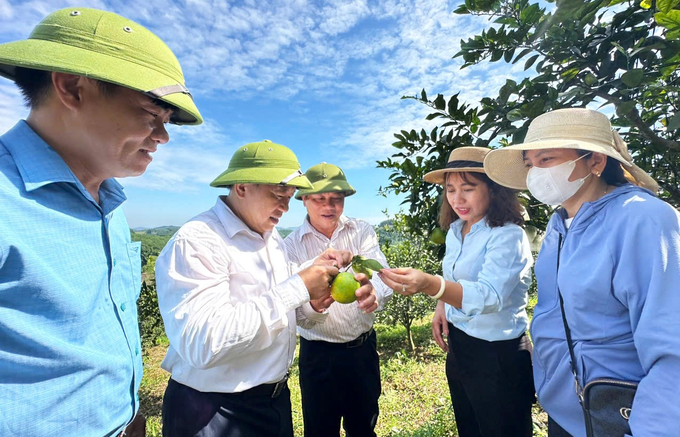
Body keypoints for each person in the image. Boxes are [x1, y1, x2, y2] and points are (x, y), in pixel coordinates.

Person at [0, 7, 201, 437]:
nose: (163, 136)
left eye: (167, 122)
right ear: (73, 87)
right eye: (151, 113)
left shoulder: (108, 201)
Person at [155, 142, 378, 437]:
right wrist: (297, 286)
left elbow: (282, 312)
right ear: (242, 186)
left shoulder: (270, 240)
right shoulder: (198, 242)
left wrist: (312, 303)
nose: (285, 207)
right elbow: (203, 343)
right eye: (278, 195)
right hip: (214, 411)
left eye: (288, 197)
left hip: (271, 401)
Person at [484, 107, 680, 437]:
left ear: (595, 162)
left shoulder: (643, 220)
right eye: (530, 164)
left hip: (623, 416)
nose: (535, 173)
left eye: (546, 160)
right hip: (566, 412)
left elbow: (672, 348)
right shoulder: (557, 227)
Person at [379, 147, 536, 437]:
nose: (457, 199)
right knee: (471, 427)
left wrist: (430, 285)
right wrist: (442, 306)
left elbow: (489, 295)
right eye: (450, 189)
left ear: (493, 189)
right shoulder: (456, 230)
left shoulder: (507, 235)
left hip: (498, 357)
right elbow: (455, 278)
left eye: (468, 188)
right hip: (461, 348)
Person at [282, 162, 390, 437]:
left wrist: (374, 291)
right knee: (320, 430)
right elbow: (289, 299)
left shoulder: (361, 231)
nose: (328, 206)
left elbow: (380, 272)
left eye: (336, 199)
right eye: (319, 198)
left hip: (361, 350)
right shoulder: (291, 245)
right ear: (304, 199)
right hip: (318, 355)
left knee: (364, 427)